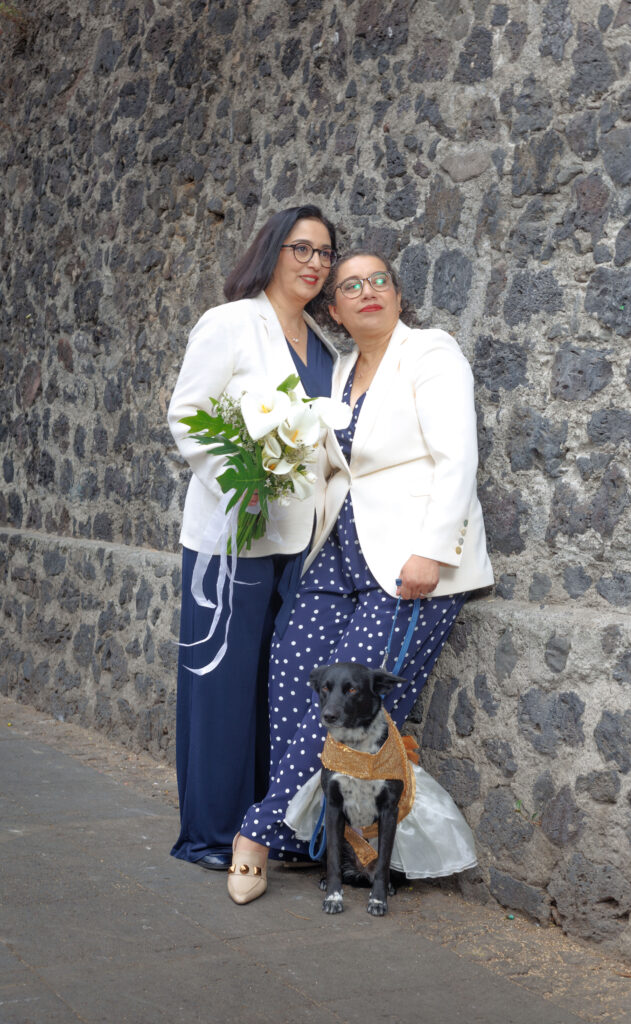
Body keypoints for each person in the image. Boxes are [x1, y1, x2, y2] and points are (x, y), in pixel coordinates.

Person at [228, 250, 494, 904]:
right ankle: (310, 839)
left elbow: (457, 457)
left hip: (408, 563)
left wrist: (432, 550)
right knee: (292, 675)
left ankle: (258, 834)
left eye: (379, 280)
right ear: (334, 310)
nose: (368, 290)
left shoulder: (430, 353)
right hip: (338, 554)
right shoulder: (342, 371)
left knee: (348, 702)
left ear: (397, 295)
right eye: (351, 285)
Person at [167, 205, 340, 869]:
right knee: (222, 685)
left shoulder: (324, 346)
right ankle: (209, 835)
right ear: (272, 250)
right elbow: (188, 413)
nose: (314, 263)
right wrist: (244, 483)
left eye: (324, 253)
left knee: (280, 689)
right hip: (231, 538)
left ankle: (266, 829)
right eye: (301, 248)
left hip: (299, 546)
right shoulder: (231, 322)